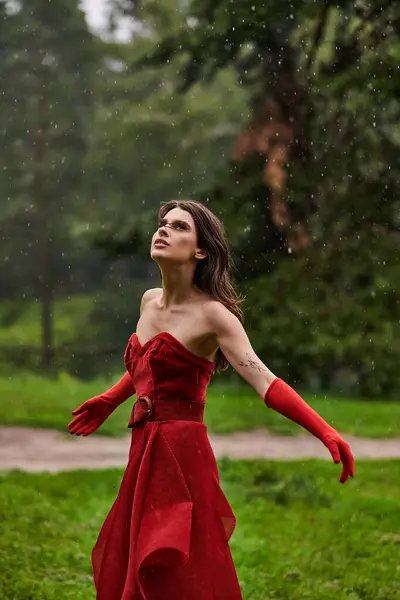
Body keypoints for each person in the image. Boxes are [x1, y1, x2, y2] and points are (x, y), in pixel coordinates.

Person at [68, 199, 355, 600]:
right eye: (163, 223)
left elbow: (266, 382)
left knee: (184, 569)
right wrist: (110, 399)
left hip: (183, 456)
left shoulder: (214, 316)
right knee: (136, 557)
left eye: (179, 227)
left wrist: (324, 431)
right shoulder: (149, 301)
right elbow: (147, 367)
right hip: (145, 448)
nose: (164, 230)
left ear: (201, 251)